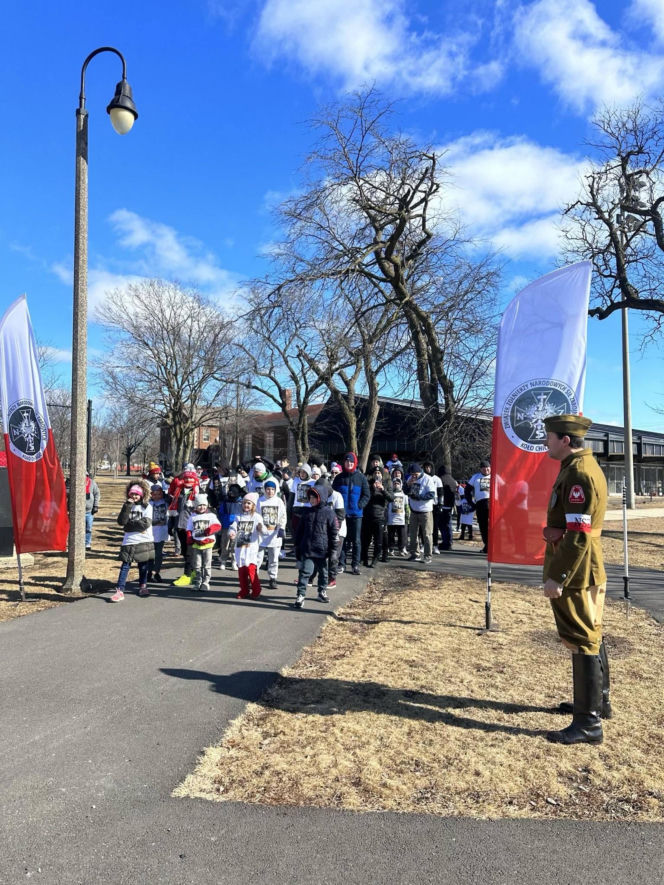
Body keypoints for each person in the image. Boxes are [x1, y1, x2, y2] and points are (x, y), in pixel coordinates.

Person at [542, 414, 610, 746]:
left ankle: (588, 723)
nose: (546, 442)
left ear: (565, 440)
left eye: (549, 437)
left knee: (582, 637)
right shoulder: (579, 467)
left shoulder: (579, 473)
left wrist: (558, 576)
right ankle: (597, 703)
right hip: (584, 566)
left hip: (577, 571)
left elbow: (579, 534)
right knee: (591, 632)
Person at [293, 485, 338, 609]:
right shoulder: (307, 512)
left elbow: (334, 532)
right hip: (307, 549)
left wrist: (333, 550)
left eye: (314, 497)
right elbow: (300, 531)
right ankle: (300, 595)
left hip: (322, 550)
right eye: (310, 497)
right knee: (304, 572)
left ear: (321, 497)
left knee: (323, 573)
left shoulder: (329, 513)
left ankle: (321, 592)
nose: (312, 500)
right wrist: (297, 545)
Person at [110, 480, 154, 602]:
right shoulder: (127, 506)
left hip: (144, 539)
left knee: (143, 565)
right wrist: (127, 506)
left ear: (142, 494)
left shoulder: (147, 507)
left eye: (137, 494)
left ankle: (143, 586)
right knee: (125, 565)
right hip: (129, 540)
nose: (134, 496)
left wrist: (128, 527)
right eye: (132, 494)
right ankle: (120, 590)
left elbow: (145, 523)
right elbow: (121, 521)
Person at [332, 452, 370, 576]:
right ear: (344, 462)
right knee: (342, 539)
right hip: (342, 515)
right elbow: (333, 494)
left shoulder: (361, 478)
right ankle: (341, 564)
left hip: (356, 514)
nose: (349, 463)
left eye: (351, 462)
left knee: (356, 541)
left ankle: (355, 564)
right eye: (347, 461)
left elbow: (366, 495)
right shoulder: (339, 478)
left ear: (355, 463)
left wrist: (360, 505)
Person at [228, 492, 266, 599]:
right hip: (240, 548)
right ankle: (244, 590)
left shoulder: (257, 517)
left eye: (249, 503)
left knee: (251, 571)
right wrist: (232, 532)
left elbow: (264, 531)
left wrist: (260, 528)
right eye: (244, 503)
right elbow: (233, 527)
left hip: (251, 549)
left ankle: (256, 590)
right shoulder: (238, 517)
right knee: (242, 572)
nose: (246, 505)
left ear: (253, 505)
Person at [186, 493, 221, 593]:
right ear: (195, 506)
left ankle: (206, 582)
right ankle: (198, 582)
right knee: (197, 565)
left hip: (208, 543)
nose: (202, 507)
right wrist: (189, 537)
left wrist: (209, 530)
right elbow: (189, 529)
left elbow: (218, 525)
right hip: (196, 544)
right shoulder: (192, 517)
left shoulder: (211, 515)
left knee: (206, 564)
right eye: (199, 505)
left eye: (204, 505)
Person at [257, 479, 287, 589]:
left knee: (273, 558)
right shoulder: (260, 501)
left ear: (275, 490)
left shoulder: (279, 501)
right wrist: (260, 527)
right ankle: (254, 577)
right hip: (261, 535)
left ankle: (273, 578)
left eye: (272, 489)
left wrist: (281, 528)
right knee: (257, 558)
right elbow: (256, 516)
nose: (270, 491)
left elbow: (283, 516)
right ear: (265, 490)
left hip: (274, 534)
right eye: (268, 489)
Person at [404, 463, 437, 563]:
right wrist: (408, 485)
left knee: (427, 534)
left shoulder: (428, 479)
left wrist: (419, 497)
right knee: (413, 534)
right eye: (412, 474)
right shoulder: (410, 479)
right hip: (414, 510)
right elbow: (405, 491)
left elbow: (431, 494)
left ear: (420, 472)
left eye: (415, 474)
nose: (414, 476)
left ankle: (428, 555)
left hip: (425, 511)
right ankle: (415, 554)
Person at [467, 460, 491, 553]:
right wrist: (471, 502)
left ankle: (495, 545)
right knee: (483, 525)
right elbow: (467, 490)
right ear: (480, 469)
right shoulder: (475, 477)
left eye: (488, 468)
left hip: (492, 503)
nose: (486, 470)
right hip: (480, 504)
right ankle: (487, 545)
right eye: (484, 469)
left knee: (493, 526)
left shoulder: (494, 476)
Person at [147, 483, 169, 583]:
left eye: (159, 494)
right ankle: (149, 572)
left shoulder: (165, 502)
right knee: (151, 553)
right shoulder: (148, 504)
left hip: (162, 531)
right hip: (151, 531)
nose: (157, 496)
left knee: (159, 553)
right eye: (154, 494)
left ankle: (156, 571)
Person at [436, 464, 457, 551]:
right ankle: (449, 541)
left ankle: (446, 542)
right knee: (448, 524)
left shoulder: (441, 480)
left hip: (443, 505)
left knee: (442, 525)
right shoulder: (452, 480)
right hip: (450, 505)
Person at [84, 470, 100, 550]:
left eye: (85, 476)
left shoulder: (92, 483)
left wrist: (96, 505)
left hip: (89, 511)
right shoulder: (74, 483)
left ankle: (87, 543)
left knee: (88, 528)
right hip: (77, 512)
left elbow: (97, 494)